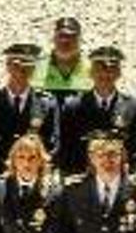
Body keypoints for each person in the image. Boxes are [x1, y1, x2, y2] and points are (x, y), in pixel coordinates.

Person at [0, 44, 58, 178]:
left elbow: (52, 144)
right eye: (16, 66)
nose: (21, 71)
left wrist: (31, 168)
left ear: (34, 69)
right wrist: (7, 169)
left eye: (27, 68)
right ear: (7, 66)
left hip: (33, 177)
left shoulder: (46, 104)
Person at [56, 46, 136, 175]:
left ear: (119, 73)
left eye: (111, 69)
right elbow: (65, 149)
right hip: (82, 179)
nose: (105, 74)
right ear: (90, 72)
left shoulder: (132, 106)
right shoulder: (73, 106)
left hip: (120, 180)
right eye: (99, 69)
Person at [32, 17, 92, 106]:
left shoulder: (94, 69)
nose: (65, 41)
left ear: (80, 40)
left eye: (71, 37)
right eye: (61, 36)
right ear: (53, 38)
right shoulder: (35, 69)